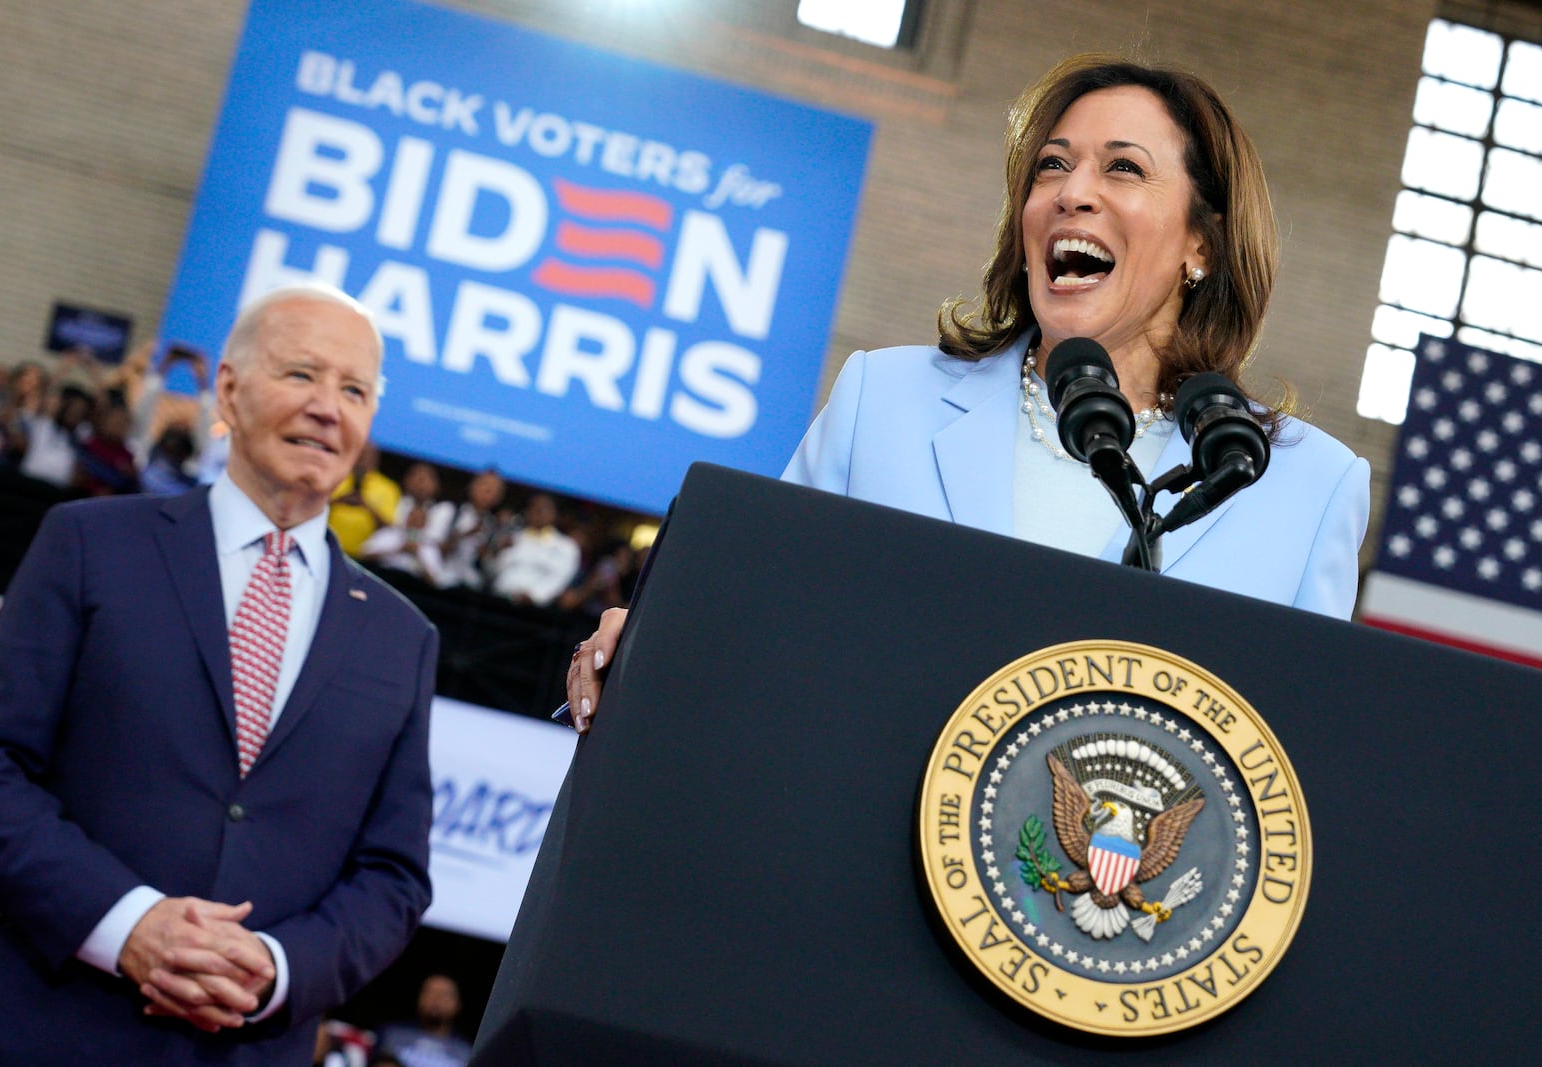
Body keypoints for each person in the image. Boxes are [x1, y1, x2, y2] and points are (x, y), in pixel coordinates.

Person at [563, 54, 1371, 734]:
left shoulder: (1304, 487)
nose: (1071, 191)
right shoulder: (882, 398)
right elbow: (753, 616)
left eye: (1123, 167)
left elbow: (1300, 764)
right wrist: (656, 641)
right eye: (1052, 165)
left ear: (1203, 240)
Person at [0, 282, 438, 1064]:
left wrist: (274, 969)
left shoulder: (402, 637)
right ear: (231, 391)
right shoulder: (87, 543)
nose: (327, 407)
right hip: (32, 1031)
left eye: (354, 389)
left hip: (241, 1043)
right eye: (302, 374)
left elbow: (394, 876)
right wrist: (127, 923)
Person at [487, 492, 580, 607]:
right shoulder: (511, 538)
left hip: (536, 609)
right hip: (499, 599)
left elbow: (560, 577)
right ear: (527, 511)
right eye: (534, 508)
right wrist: (498, 552)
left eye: (545, 509)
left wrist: (535, 596)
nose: (539, 512)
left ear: (555, 514)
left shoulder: (566, 547)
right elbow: (491, 571)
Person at [372, 973, 469, 1067]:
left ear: (458, 1004)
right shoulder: (391, 1035)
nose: (436, 999)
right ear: (419, 998)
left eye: (445, 994)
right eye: (429, 992)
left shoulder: (467, 1052)